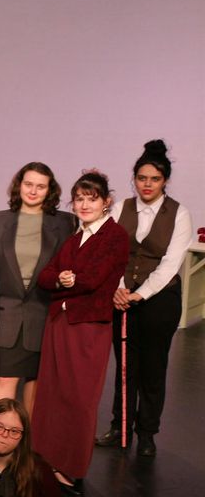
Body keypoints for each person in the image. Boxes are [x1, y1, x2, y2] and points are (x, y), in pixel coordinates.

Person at [30, 171, 129, 494]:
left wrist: (66, 280)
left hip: (88, 326)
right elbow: (45, 276)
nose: (84, 205)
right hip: (59, 322)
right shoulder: (76, 237)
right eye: (79, 199)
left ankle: (71, 467)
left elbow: (92, 279)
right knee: (52, 393)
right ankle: (46, 458)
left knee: (79, 398)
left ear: (106, 202)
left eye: (92, 199)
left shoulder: (115, 236)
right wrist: (62, 279)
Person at [97, 140, 194, 457]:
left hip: (160, 301)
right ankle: (120, 426)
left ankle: (147, 432)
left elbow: (170, 263)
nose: (147, 184)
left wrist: (139, 294)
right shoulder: (120, 208)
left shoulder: (179, 213)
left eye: (154, 179)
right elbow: (111, 252)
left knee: (153, 368)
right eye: (142, 178)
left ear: (165, 180)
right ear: (134, 179)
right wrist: (119, 288)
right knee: (126, 367)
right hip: (122, 296)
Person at [0, 163, 75, 414]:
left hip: (44, 312)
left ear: (50, 190)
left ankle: (29, 435)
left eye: (40, 186)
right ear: (19, 185)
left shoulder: (65, 222)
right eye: (28, 184)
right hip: (8, 312)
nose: (33, 191)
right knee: (6, 377)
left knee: (36, 381)